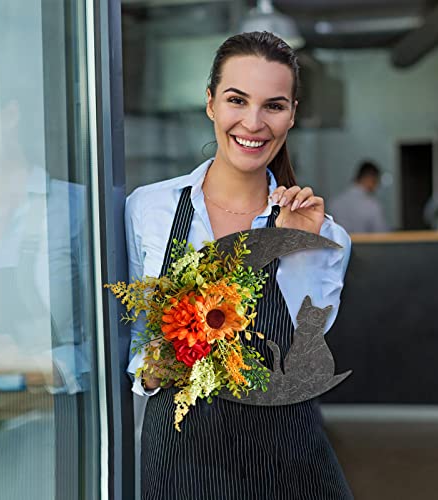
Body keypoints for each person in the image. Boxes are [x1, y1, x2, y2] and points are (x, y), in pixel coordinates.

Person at [126, 31, 353, 500]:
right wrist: (149, 371)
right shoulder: (148, 209)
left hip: (290, 468)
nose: (253, 122)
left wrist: (293, 243)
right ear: (210, 103)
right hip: (178, 465)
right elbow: (132, 340)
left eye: (273, 105)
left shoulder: (326, 237)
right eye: (236, 99)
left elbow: (302, 360)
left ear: (292, 115)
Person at [329, 161, 388, 233]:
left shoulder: (335, 202)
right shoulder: (372, 205)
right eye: (376, 182)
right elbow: (382, 235)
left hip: (339, 244)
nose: (376, 187)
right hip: (366, 244)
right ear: (370, 179)